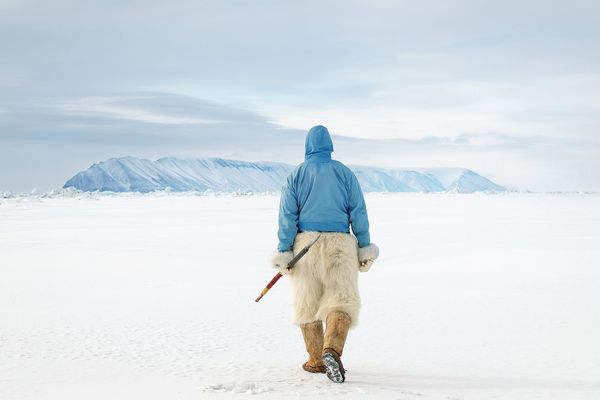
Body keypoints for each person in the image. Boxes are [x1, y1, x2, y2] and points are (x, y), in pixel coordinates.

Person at [271, 125, 379, 383]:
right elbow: (359, 213)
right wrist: (364, 247)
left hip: (305, 246)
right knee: (341, 301)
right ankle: (332, 349)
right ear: (330, 145)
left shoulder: (296, 175)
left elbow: (287, 217)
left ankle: (316, 360)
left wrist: (284, 251)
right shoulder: (344, 173)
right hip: (341, 245)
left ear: (307, 147)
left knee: (306, 304)